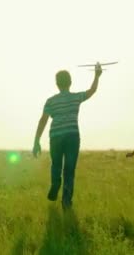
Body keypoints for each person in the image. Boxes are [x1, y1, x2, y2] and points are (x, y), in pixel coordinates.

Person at [33, 63, 102, 210]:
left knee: (56, 164)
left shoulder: (50, 101)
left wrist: (36, 141)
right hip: (72, 136)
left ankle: (55, 183)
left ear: (57, 84)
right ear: (70, 82)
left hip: (56, 136)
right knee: (69, 170)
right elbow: (92, 90)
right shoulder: (76, 97)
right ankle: (66, 201)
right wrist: (96, 75)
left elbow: (43, 120)